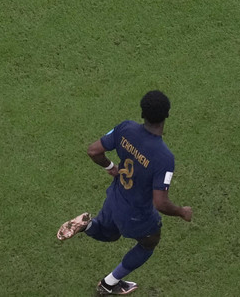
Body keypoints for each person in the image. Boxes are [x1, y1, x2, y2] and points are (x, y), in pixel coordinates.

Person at [57, 90, 192, 295]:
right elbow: (161, 203)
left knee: (109, 234)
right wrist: (182, 212)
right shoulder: (164, 158)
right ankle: (108, 284)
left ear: (142, 113)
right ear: (167, 115)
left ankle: (86, 225)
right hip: (136, 214)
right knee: (149, 242)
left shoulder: (125, 127)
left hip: (114, 198)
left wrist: (110, 166)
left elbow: (94, 151)